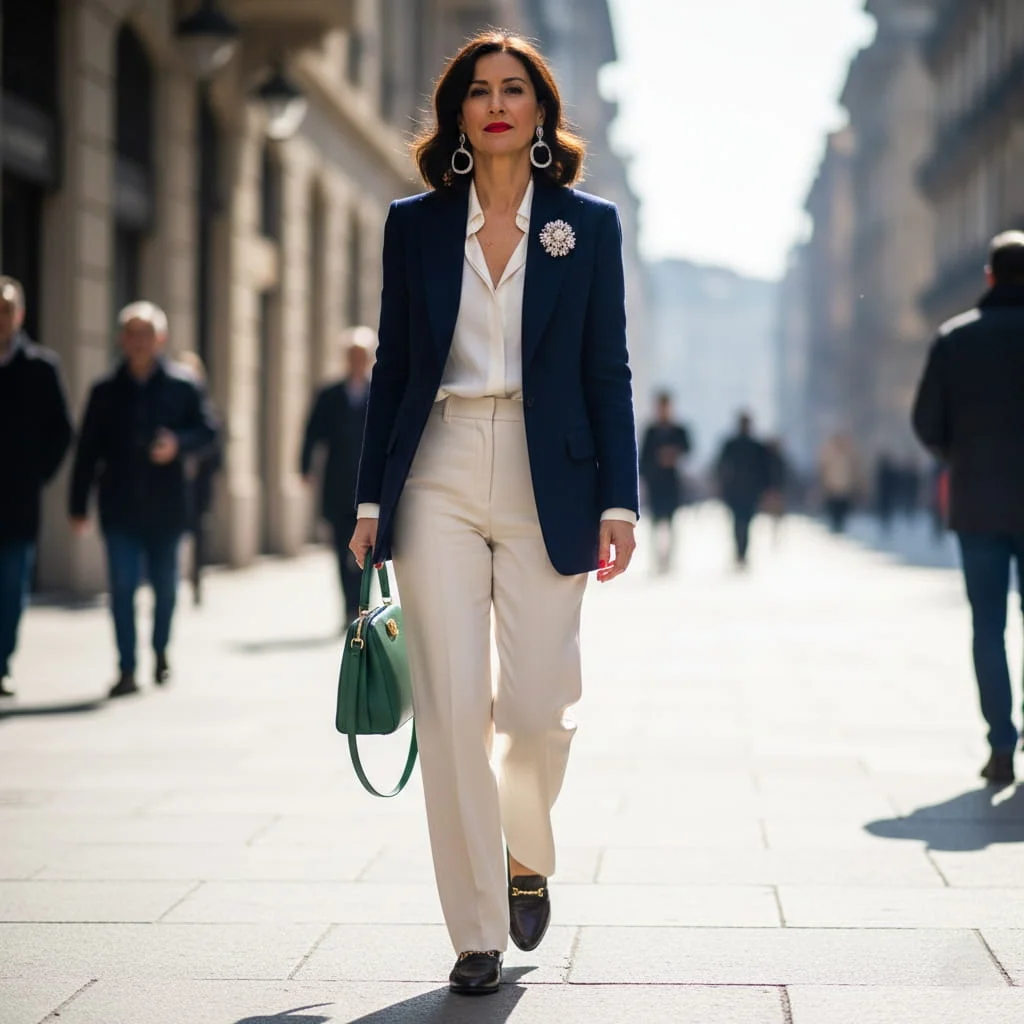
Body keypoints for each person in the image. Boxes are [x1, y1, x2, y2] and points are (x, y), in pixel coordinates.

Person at [348, 31, 638, 995]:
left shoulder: (586, 225)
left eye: (516, 89)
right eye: (480, 91)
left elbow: (608, 368)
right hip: (436, 466)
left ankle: (527, 846)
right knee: (451, 702)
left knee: (539, 705)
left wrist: (619, 498)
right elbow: (393, 366)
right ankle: (475, 928)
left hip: (549, 471)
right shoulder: (416, 224)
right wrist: (368, 498)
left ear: (543, 110)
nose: (499, 103)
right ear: (459, 114)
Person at [912, 230, 1024, 785]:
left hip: (979, 500)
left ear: (988, 276)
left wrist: (960, 454)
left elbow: (926, 423)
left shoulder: (955, 339)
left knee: (988, 627)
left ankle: (1001, 744)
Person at [69, 302, 218, 697]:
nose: (139, 342)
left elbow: (209, 432)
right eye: (132, 333)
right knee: (121, 587)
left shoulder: (183, 385)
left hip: (167, 507)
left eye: (146, 334)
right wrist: (77, 504)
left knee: (166, 588)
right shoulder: (104, 391)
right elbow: (87, 449)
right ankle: (127, 668)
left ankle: (160, 651)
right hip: (119, 506)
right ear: (121, 339)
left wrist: (178, 445)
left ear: (161, 339)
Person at [0, 276, 73, 698]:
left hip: (19, 501)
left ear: (20, 316)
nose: (1, 319)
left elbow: (63, 431)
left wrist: (36, 474)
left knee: (11, 586)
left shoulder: (41, 368)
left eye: (6, 310)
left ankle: (2, 661)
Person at [301, 328, 374, 626]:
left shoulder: (379, 392)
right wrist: (304, 468)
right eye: (352, 356)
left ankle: (363, 606)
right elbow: (311, 433)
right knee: (341, 549)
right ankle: (347, 607)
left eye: (362, 356)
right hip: (337, 486)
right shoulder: (329, 394)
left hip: (369, 487)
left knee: (366, 552)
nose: (356, 361)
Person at [175, 351, 223, 607]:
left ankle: (195, 576)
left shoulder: (206, 409)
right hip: (174, 484)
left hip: (200, 483)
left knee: (199, 530)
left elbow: (215, 446)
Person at [639, 391, 691, 573]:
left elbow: (688, 449)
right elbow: (643, 458)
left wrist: (673, 454)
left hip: (672, 484)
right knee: (654, 524)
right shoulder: (651, 431)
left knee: (671, 523)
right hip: (655, 484)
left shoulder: (679, 430)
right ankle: (656, 559)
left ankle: (669, 559)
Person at [715, 412, 769, 568]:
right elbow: (721, 467)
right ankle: (740, 553)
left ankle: (742, 554)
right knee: (738, 523)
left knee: (746, 523)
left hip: (749, 491)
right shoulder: (732, 445)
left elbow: (764, 469)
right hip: (736, 491)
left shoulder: (755, 446)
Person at [818, 432, 860, 533]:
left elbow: (852, 471)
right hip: (833, 487)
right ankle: (835, 526)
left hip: (844, 487)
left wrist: (853, 483)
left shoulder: (848, 456)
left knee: (842, 509)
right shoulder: (829, 455)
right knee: (834, 509)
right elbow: (824, 471)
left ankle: (840, 525)